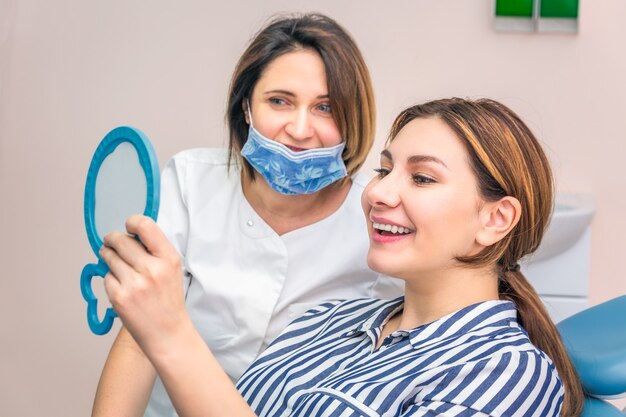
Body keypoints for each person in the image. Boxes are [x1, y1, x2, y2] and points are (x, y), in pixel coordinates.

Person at [99, 97, 584, 416]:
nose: (376, 194)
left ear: (495, 220)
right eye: (384, 169)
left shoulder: (505, 372)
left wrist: (170, 334)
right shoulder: (326, 322)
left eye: (422, 178)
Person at [91, 13, 402, 417]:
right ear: (246, 107)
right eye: (279, 101)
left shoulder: (380, 215)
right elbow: (139, 338)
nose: (300, 129)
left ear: (352, 119)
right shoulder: (190, 182)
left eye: (325, 107)